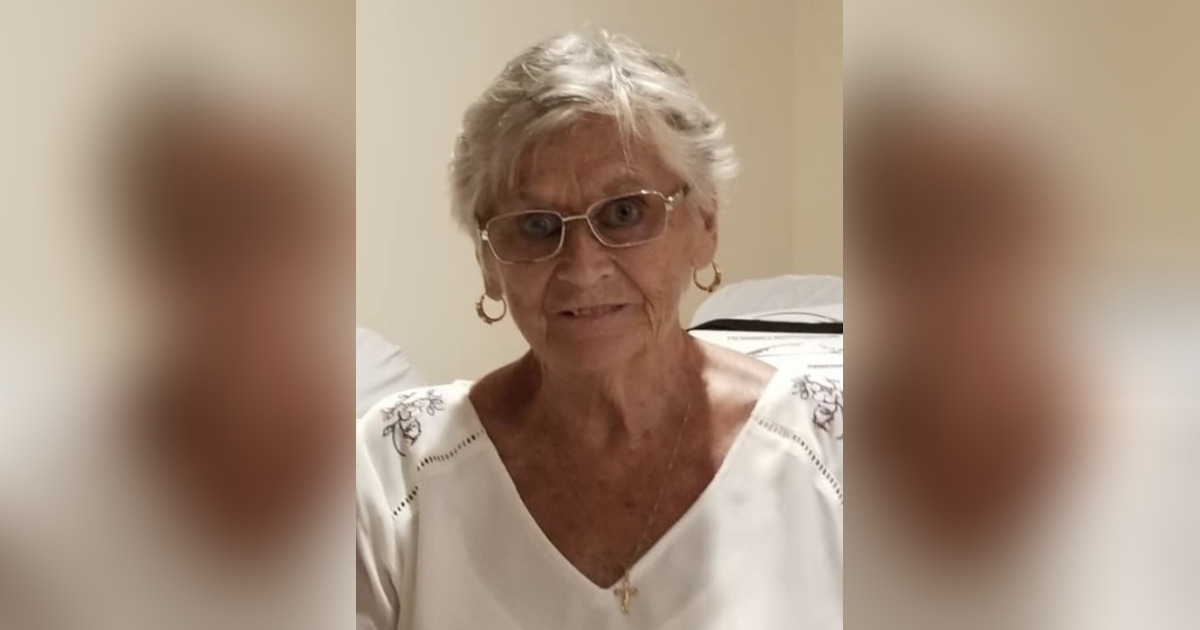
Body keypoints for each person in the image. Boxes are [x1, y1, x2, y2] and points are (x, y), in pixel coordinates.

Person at [356, 31, 843, 629]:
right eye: (536, 225)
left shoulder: (838, 453)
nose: (583, 269)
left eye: (625, 212)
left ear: (705, 224)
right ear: (487, 260)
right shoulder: (395, 471)